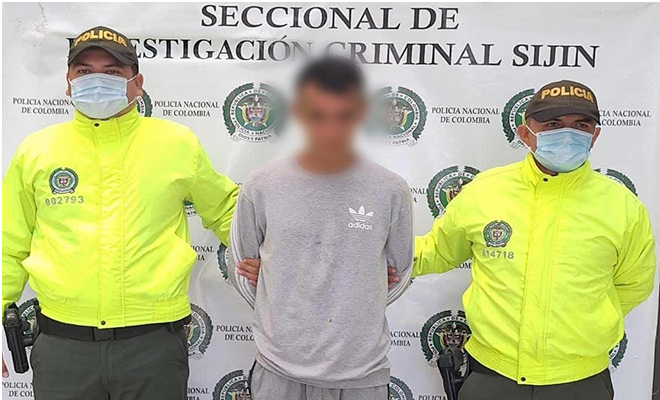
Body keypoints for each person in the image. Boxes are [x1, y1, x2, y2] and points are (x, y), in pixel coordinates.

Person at [2, 26, 243, 400]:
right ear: (68, 82)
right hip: (63, 348)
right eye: (84, 71)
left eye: (112, 72)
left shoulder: (177, 144)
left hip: (152, 347)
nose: (97, 81)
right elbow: (9, 241)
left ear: (137, 83)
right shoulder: (37, 151)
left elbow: (228, 211)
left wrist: (274, 258)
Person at [413, 80, 656, 400]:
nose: (567, 134)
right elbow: (437, 251)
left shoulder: (623, 207)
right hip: (491, 377)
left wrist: (589, 323)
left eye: (581, 125)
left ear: (595, 135)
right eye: (553, 124)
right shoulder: (485, 191)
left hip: (581, 381)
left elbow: (634, 284)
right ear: (525, 133)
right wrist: (371, 253)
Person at [229, 57, 413, 400]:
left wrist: (358, 295)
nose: (330, 130)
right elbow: (241, 269)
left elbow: (399, 273)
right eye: (317, 115)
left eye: (343, 116)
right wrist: (279, 298)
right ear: (299, 113)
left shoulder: (391, 189)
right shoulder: (261, 185)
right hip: (279, 373)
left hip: (362, 376)